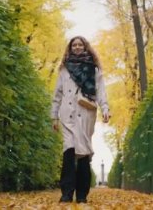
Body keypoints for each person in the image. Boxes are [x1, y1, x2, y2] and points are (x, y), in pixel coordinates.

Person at [51, 36, 110, 203]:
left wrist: (105, 108)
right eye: (74, 45)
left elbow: (101, 91)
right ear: (70, 48)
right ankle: (67, 193)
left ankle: (82, 195)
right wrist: (54, 116)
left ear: (85, 47)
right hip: (67, 114)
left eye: (80, 44)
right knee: (68, 151)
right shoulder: (64, 70)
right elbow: (57, 94)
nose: (77, 47)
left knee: (83, 153)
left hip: (86, 114)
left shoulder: (94, 69)